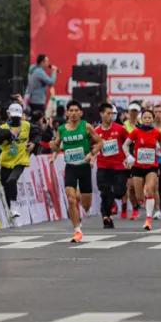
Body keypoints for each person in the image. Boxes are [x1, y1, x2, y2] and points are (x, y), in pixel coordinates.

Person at [51, 100, 102, 242]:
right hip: (71, 168)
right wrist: (53, 146)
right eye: (70, 111)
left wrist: (91, 154)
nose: (73, 113)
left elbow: (100, 142)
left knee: (86, 206)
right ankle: (77, 231)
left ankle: (79, 201)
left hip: (84, 167)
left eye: (76, 111)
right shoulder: (61, 129)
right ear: (67, 113)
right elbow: (56, 146)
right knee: (71, 199)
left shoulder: (86, 127)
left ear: (81, 113)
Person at [124, 108, 161, 231]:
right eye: (145, 117)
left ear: (152, 119)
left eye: (150, 117)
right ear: (141, 119)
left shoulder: (157, 132)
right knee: (139, 197)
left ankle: (148, 219)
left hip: (152, 167)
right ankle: (144, 204)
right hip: (138, 167)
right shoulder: (135, 132)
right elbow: (125, 145)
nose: (148, 119)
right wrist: (128, 156)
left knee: (150, 190)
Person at [0, 103, 39, 219]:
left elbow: (38, 133)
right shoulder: (3, 128)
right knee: (5, 183)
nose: (16, 118)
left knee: (12, 180)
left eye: (18, 116)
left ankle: (14, 205)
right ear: (8, 114)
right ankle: (10, 208)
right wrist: (6, 136)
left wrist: (33, 143)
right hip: (7, 160)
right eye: (14, 116)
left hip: (21, 160)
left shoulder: (27, 125)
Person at [93, 102, 129, 229]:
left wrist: (130, 157)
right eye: (108, 113)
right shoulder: (96, 132)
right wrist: (91, 158)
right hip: (103, 166)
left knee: (119, 192)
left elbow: (129, 143)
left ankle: (112, 203)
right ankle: (106, 217)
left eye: (112, 114)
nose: (110, 116)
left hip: (119, 167)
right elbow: (92, 147)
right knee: (104, 191)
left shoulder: (120, 129)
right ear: (101, 114)